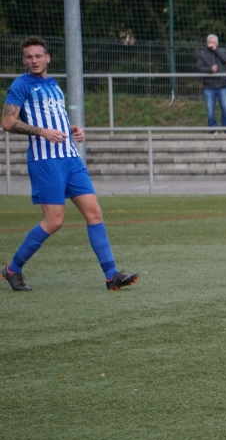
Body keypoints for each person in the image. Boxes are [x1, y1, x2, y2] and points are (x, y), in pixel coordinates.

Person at [1, 36, 138, 292]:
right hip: (45, 161)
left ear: (47, 58)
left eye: (38, 56)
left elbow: (56, 117)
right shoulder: (21, 85)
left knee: (94, 212)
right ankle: (12, 269)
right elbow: (7, 122)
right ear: (24, 60)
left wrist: (72, 127)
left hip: (70, 158)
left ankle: (111, 275)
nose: (34, 61)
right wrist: (42, 132)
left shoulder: (54, 85)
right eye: (29, 57)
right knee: (54, 221)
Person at [197, 34, 226, 131]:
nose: (212, 44)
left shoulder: (223, 52)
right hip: (209, 86)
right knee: (210, 109)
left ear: (217, 43)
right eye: (210, 42)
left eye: (214, 42)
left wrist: (216, 50)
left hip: (222, 85)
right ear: (207, 43)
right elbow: (199, 68)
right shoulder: (202, 54)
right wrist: (209, 70)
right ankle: (212, 129)